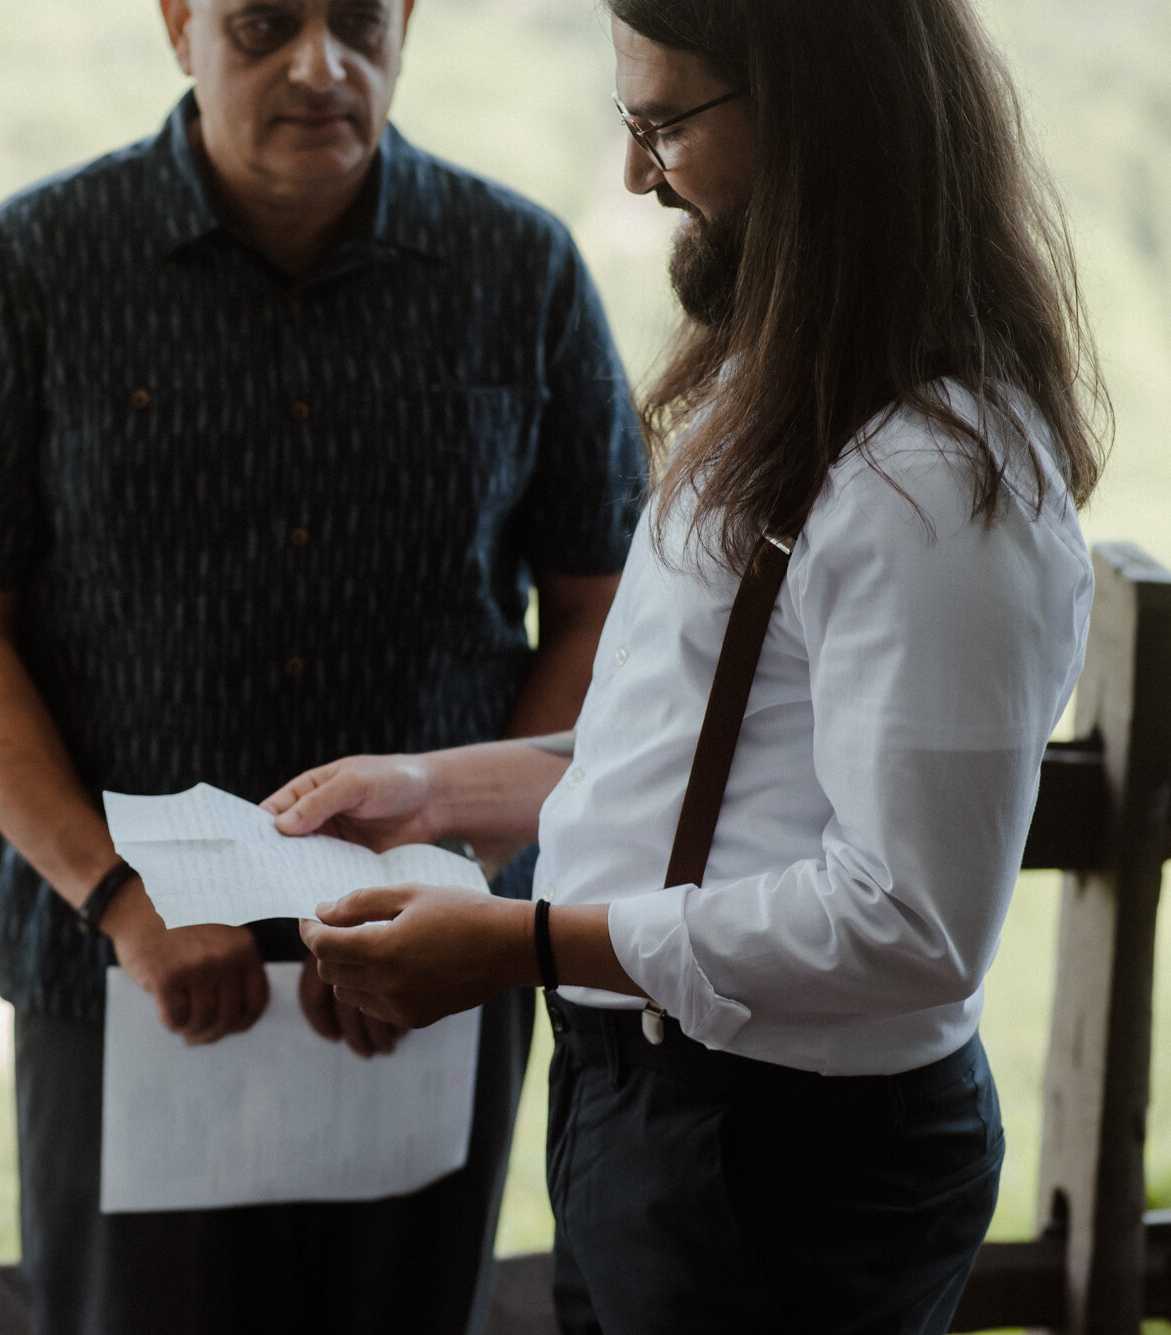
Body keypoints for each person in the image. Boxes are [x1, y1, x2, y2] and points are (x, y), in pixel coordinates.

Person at [271, 0, 1107, 1330]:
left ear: (823, 123)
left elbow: (913, 929)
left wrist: (522, 943)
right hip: (657, 1108)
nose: (637, 175)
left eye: (663, 125)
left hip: (790, 1159)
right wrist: (441, 793)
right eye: (630, 120)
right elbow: (708, 752)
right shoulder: (779, 395)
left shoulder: (932, 477)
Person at [0, 1, 645, 1330]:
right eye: (266, 22)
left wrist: (463, 892)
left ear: (406, 23)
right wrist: (119, 900)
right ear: (180, 25)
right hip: (124, 973)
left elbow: (601, 611)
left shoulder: (521, 266)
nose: (317, 63)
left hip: (436, 961)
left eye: (356, 19)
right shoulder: (44, 260)